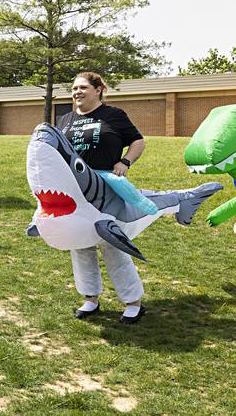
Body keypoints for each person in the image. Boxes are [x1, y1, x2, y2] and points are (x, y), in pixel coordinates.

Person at [56, 72, 147, 324]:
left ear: (98, 90)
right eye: (74, 88)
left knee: (112, 243)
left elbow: (138, 142)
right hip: (75, 192)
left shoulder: (114, 115)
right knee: (80, 244)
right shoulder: (64, 119)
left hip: (106, 190)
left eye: (83, 87)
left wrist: (125, 161)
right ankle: (90, 298)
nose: (76, 92)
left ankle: (133, 303)